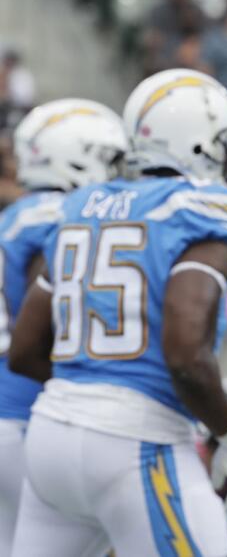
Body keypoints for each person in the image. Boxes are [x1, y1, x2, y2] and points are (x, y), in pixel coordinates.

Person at [7, 68, 227, 556]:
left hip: (50, 434)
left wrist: (89, 389)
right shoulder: (200, 208)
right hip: (138, 440)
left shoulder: (81, 205)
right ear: (196, 141)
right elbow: (186, 356)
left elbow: (23, 350)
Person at [0, 99, 128, 556]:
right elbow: (42, 326)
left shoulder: (15, 215)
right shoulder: (59, 216)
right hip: (26, 415)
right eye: (110, 160)